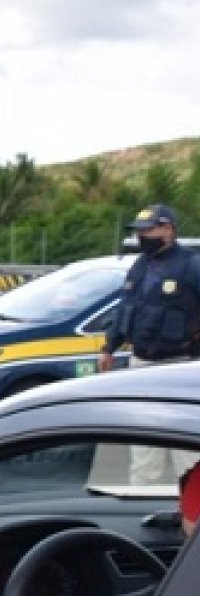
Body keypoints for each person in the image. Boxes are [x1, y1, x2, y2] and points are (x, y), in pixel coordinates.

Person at [100, 204, 200, 485]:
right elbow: (125, 310)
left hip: (180, 365)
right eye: (139, 231)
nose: (142, 236)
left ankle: (192, 519)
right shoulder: (140, 265)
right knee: (144, 448)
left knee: (187, 452)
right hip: (141, 366)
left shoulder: (191, 266)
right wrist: (109, 347)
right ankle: (141, 510)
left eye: (149, 230)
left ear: (168, 229)